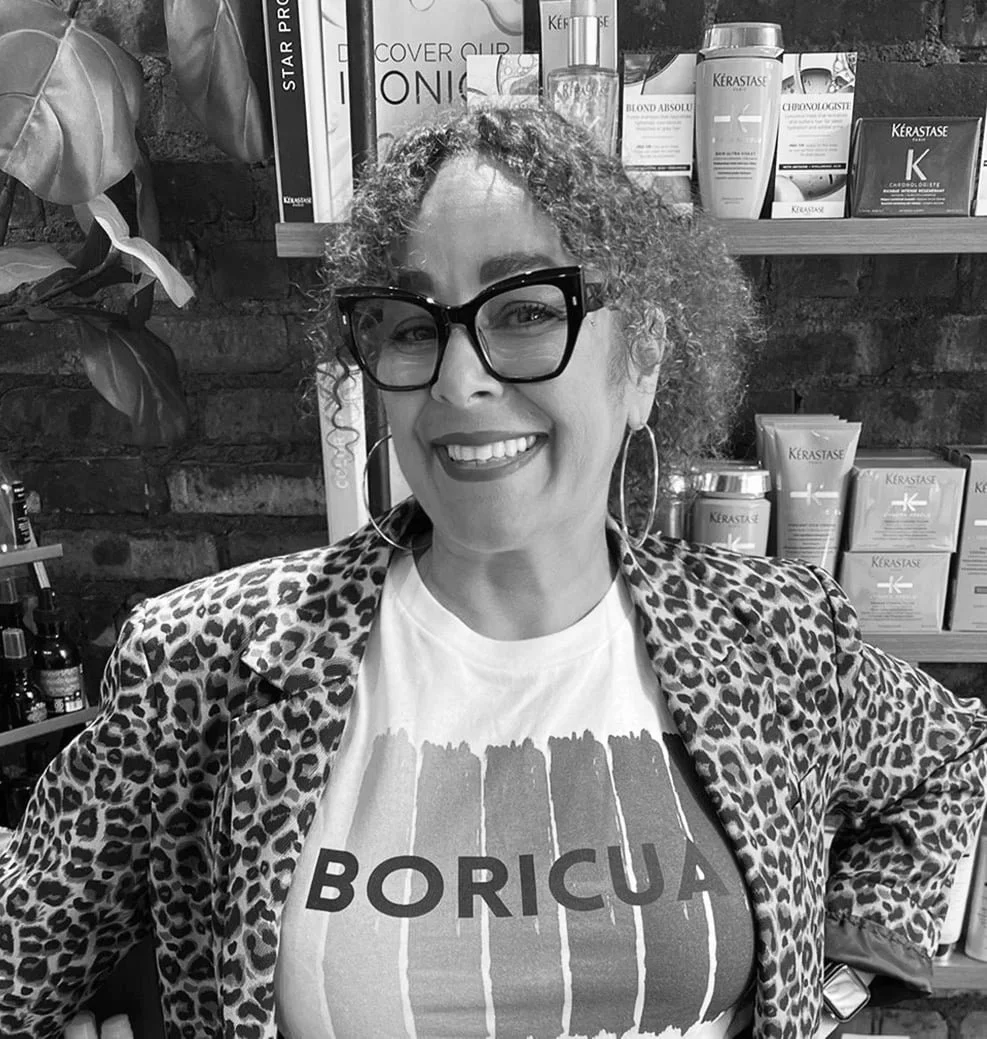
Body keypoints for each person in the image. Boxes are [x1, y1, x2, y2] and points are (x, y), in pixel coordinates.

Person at [0, 105, 984, 1039]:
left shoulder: (780, 640)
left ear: (640, 357)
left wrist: (834, 983)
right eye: (413, 325)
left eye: (522, 311)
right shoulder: (205, 668)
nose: (459, 380)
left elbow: (955, 761)